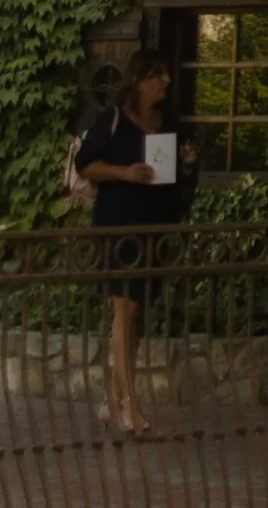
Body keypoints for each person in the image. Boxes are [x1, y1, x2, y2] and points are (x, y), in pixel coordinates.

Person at [76, 53, 198, 436]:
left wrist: (188, 164)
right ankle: (129, 405)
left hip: (153, 229)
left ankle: (110, 400)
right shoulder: (113, 118)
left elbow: (180, 182)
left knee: (136, 316)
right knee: (125, 309)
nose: (166, 81)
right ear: (139, 80)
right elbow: (85, 164)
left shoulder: (169, 123)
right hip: (117, 228)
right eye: (158, 75)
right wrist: (125, 173)